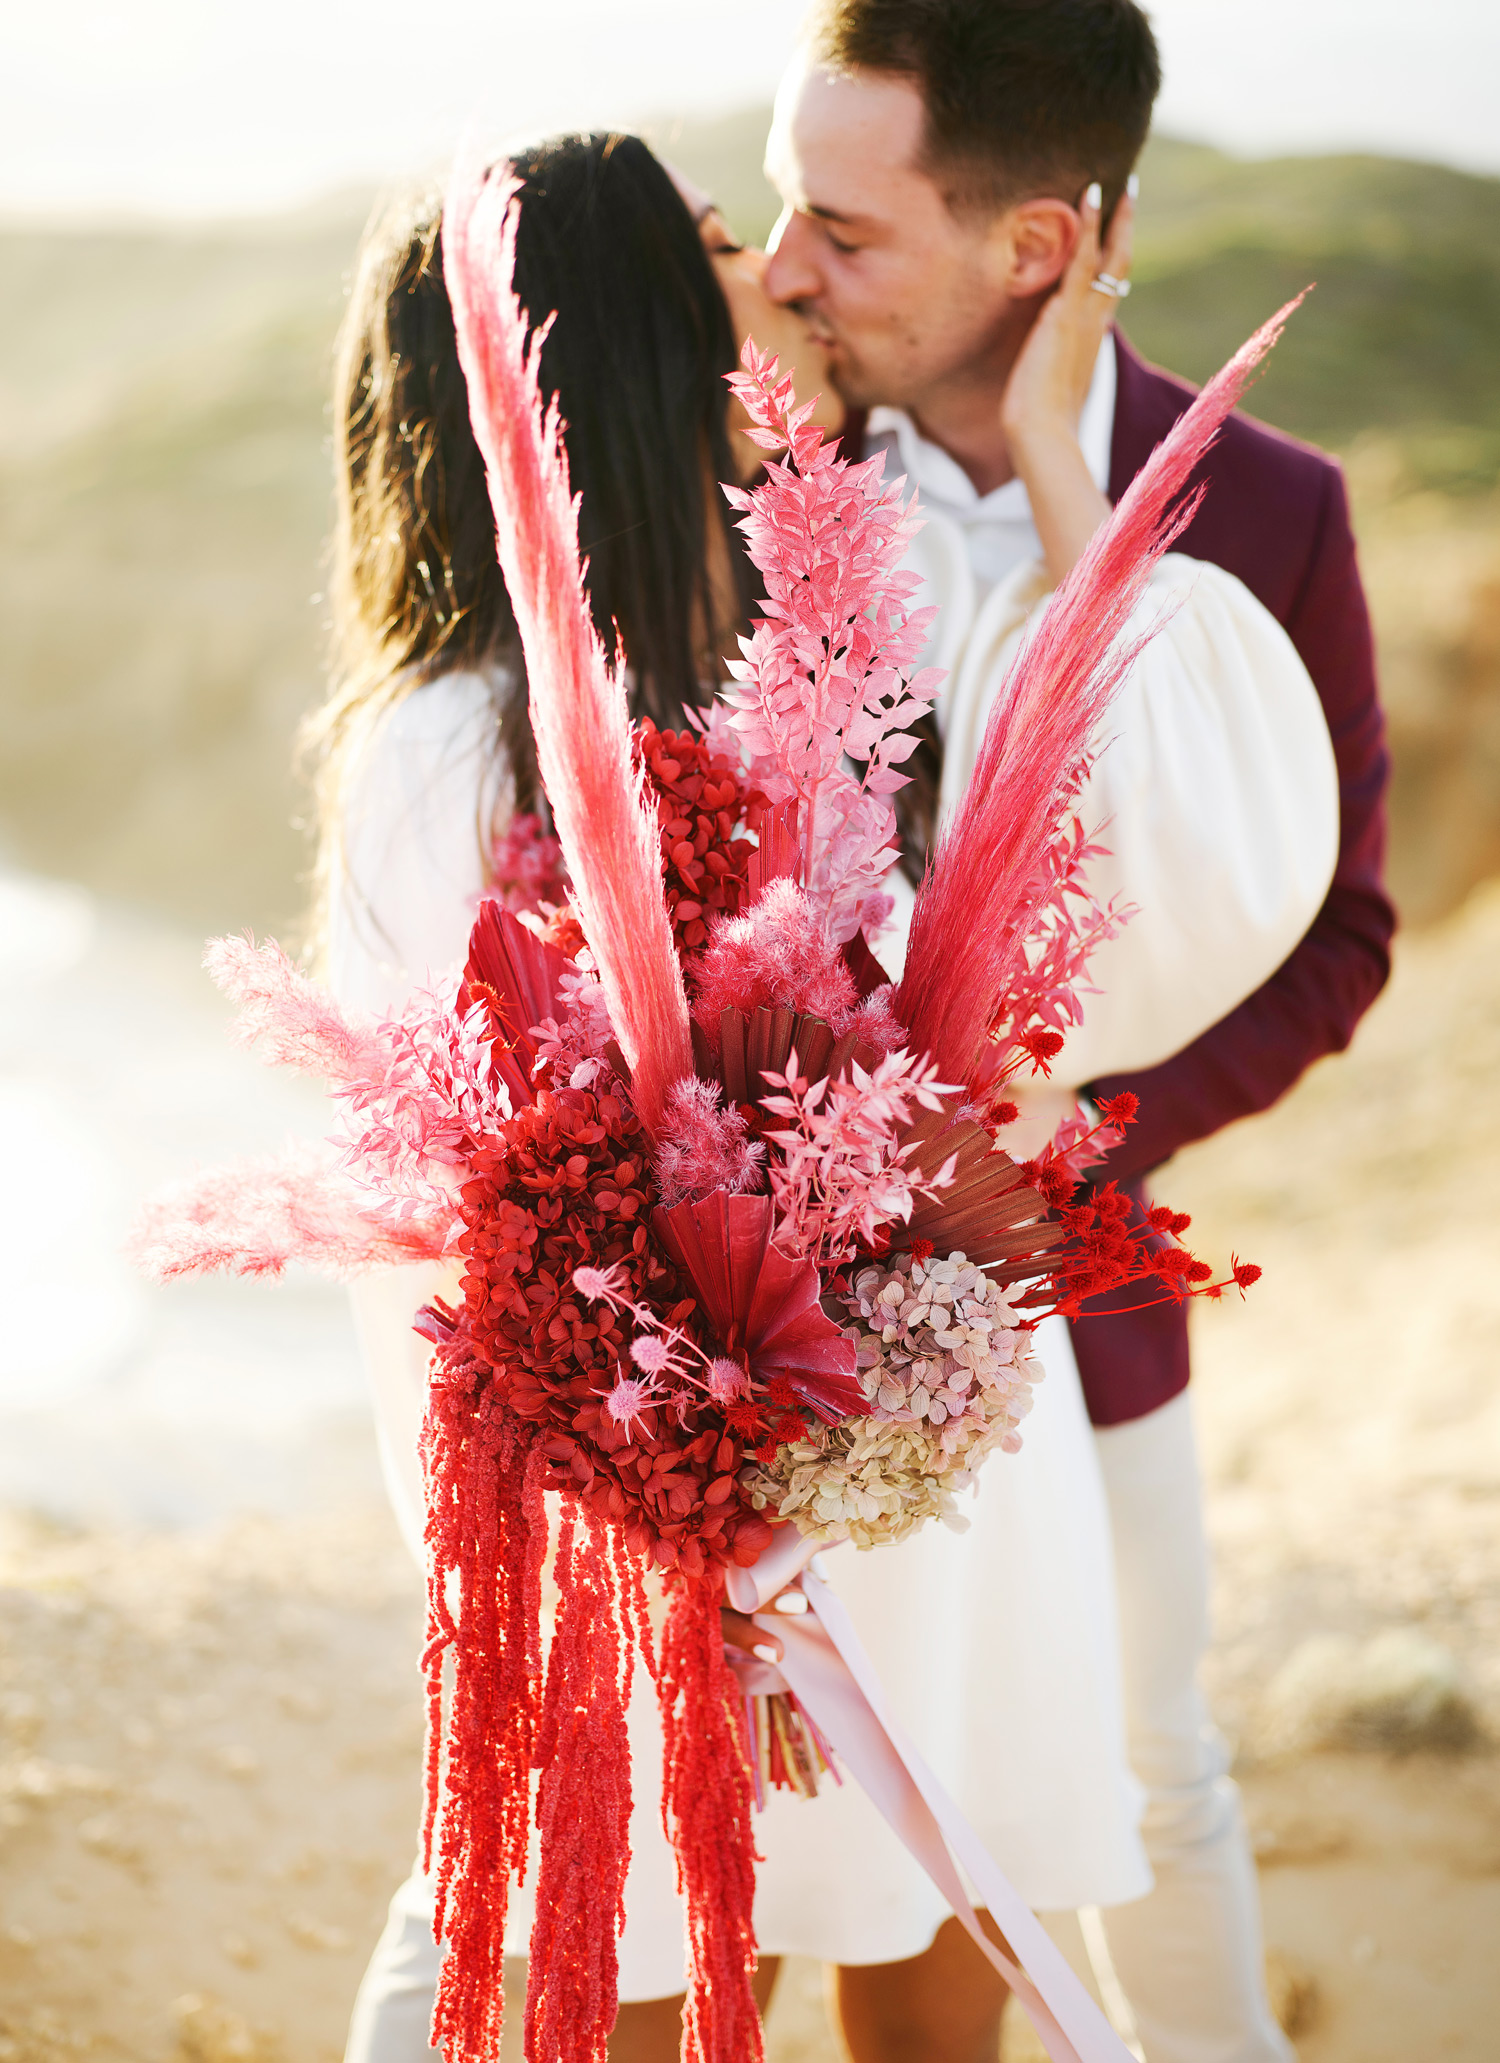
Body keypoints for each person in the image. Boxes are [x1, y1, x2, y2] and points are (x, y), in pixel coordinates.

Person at [316, 128, 1338, 2063]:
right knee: (636, 1988)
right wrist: (682, 1518)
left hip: (920, 1469)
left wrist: (1062, 457)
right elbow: (446, 1218)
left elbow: (1168, 895)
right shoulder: (457, 746)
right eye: (717, 239)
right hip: (645, 1505)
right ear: (608, 332)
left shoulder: (849, 650)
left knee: (929, 2003)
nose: (771, 270)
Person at [759, 4, 1394, 2060]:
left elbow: (1335, 939)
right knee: (809, 1823)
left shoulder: (1271, 516)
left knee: (1150, 1770)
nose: (783, 270)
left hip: (1081, 1300)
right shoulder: (746, 486)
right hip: (764, 1315)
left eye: (842, 230)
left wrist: (1059, 1146)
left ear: (1034, 245)